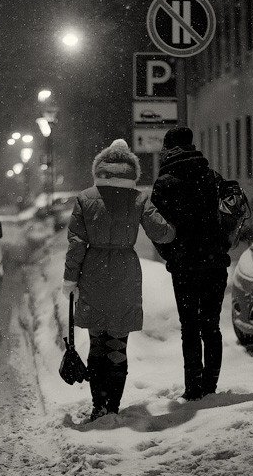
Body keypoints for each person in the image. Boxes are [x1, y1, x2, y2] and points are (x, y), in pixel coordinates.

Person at [64, 139, 175, 421]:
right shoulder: (138, 199)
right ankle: (113, 405)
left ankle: (98, 405)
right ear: (130, 170)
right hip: (125, 272)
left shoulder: (86, 198)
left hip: (93, 271)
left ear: (100, 168)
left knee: (97, 341)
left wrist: (70, 280)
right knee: (118, 344)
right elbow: (163, 233)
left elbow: (76, 244)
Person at [151, 126, 231, 401]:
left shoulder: (165, 182)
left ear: (169, 149)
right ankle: (211, 386)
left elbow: (156, 227)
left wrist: (171, 254)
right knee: (212, 326)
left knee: (190, 328)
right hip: (214, 264)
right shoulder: (211, 177)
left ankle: (193, 387)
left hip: (184, 267)